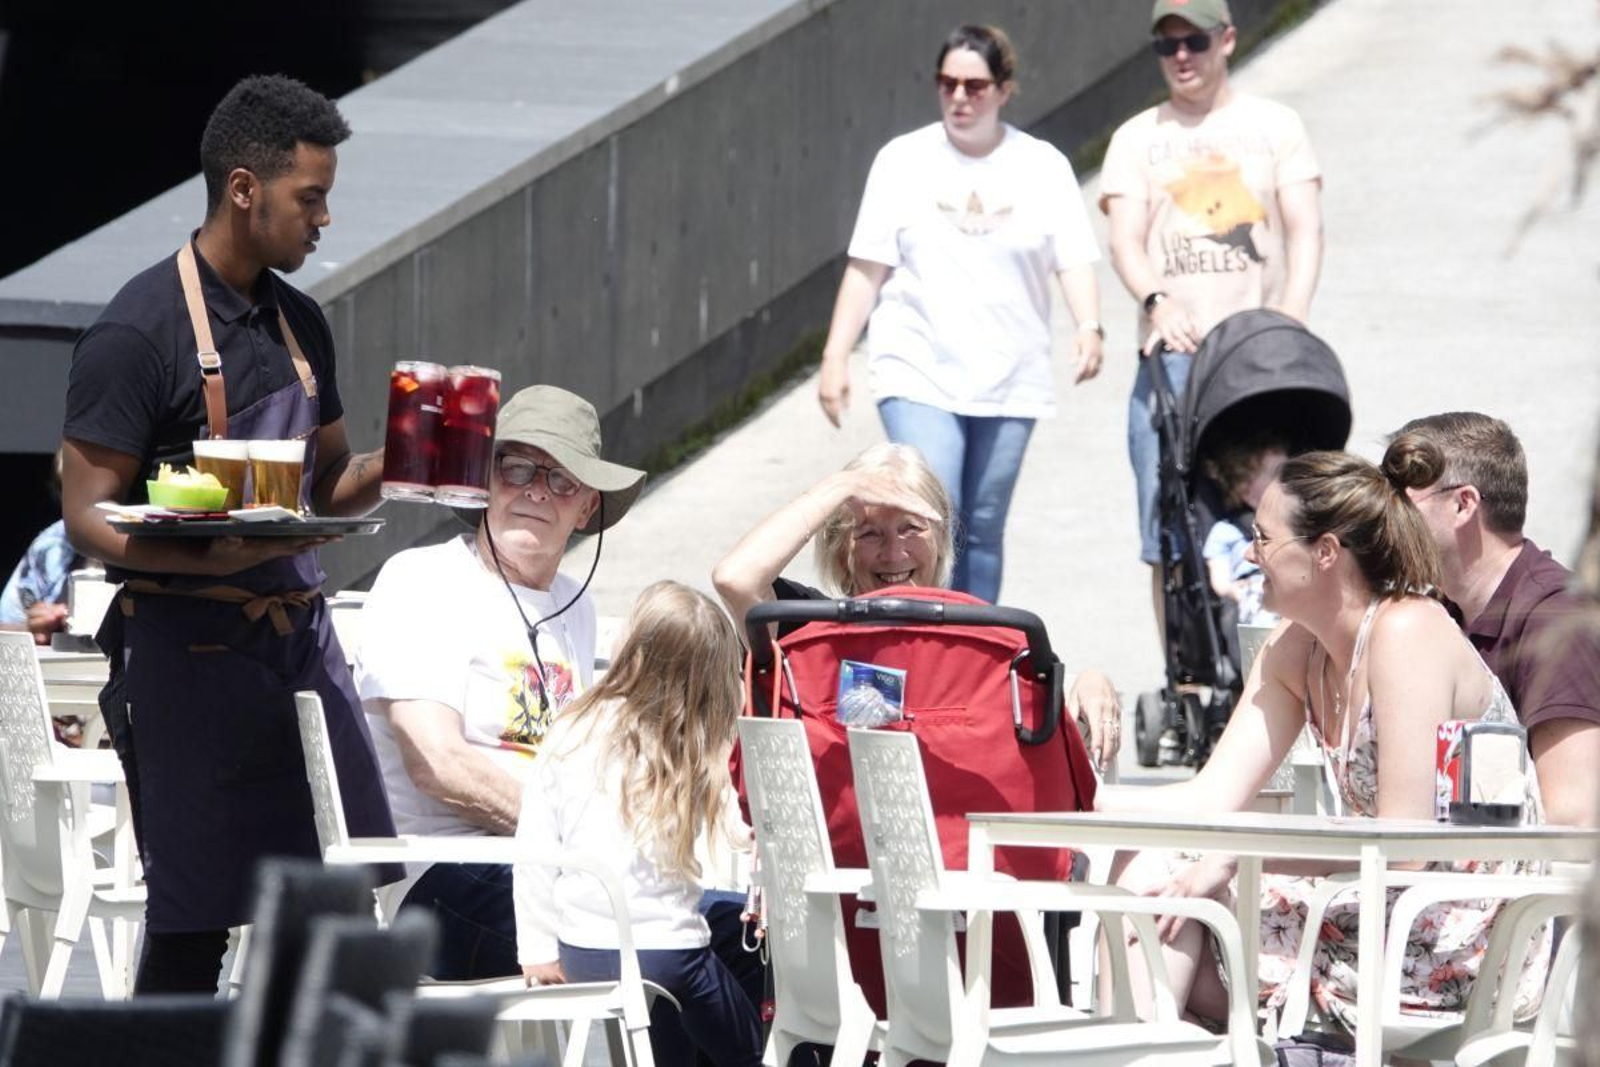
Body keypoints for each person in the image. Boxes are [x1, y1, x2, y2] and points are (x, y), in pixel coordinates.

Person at [59, 74, 399, 994]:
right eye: (310, 198)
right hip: (188, 651)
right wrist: (210, 554)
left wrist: (402, 458)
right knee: (195, 923)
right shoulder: (137, 332)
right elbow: (84, 515)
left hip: (299, 643)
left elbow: (327, 482)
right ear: (244, 189)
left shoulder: (302, 324)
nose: (324, 220)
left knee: (336, 904)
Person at [1101, 451, 1546, 1034]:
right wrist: (1082, 796)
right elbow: (1209, 798)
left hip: (1455, 934)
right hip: (1367, 907)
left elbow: (1405, 841)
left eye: (1262, 538)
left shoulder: (1408, 629)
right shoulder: (1295, 649)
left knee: (1167, 891)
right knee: (1146, 869)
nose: (1248, 554)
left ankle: (1129, 1045)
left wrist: (1238, 856)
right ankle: (1131, 1047)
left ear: (1326, 552)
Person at [355, 384, 646, 980]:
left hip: (548, 870)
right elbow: (435, 763)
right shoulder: (424, 579)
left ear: (586, 507)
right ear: (483, 481)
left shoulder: (576, 605)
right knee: (660, 940)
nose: (537, 490)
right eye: (516, 468)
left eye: (562, 479)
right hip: (438, 877)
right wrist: (580, 845)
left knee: (724, 934)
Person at [814, 23, 1105, 604]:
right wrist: (835, 355)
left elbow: (1072, 258)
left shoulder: (1041, 165)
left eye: (975, 85)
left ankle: (980, 653)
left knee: (986, 525)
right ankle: (923, 641)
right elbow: (867, 266)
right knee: (932, 510)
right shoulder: (903, 160)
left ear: (1004, 88)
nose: (960, 97)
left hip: (1010, 373)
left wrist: (1088, 325)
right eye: (947, 83)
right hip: (917, 365)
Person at [1101, 0, 1323, 631]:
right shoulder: (1137, 138)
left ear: (1225, 40)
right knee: (1168, 530)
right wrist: (1156, 301)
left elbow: (1305, 228)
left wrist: (1292, 314)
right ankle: (1188, 677)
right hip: (1172, 364)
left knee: (1282, 514)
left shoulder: (1275, 126)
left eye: (1193, 43)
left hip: (1259, 358)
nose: (1180, 58)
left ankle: (1287, 650)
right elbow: (1125, 240)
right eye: (1166, 46)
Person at [712, 441, 1123, 768]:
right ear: (843, 553)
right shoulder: (805, 627)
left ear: (940, 542)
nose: (894, 554)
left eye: (911, 528)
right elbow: (736, 577)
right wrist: (841, 486)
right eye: (870, 534)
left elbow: (1035, 697)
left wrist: (1088, 681)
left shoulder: (976, 636)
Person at [514, 581, 761, 1067]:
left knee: (653, 1042)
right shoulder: (697, 742)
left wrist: (536, 948)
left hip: (582, 948)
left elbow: (536, 847)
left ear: (631, 647)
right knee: (750, 1048)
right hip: (671, 955)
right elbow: (741, 830)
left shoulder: (573, 726)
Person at [1384, 412, 1600, 827]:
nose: (1384, 517)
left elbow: (1573, 820)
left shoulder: (1554, 620)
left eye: (1399, 501)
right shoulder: (1436, 614)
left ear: (1463, 504)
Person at [1200, 433, 1287, 626]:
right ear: (1244, 487)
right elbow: (1220, 579)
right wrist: (1233, 590)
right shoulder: (1225, 532)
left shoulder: (1291, 525)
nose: (1284, 480)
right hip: (1249, 592)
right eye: (1275, 474)